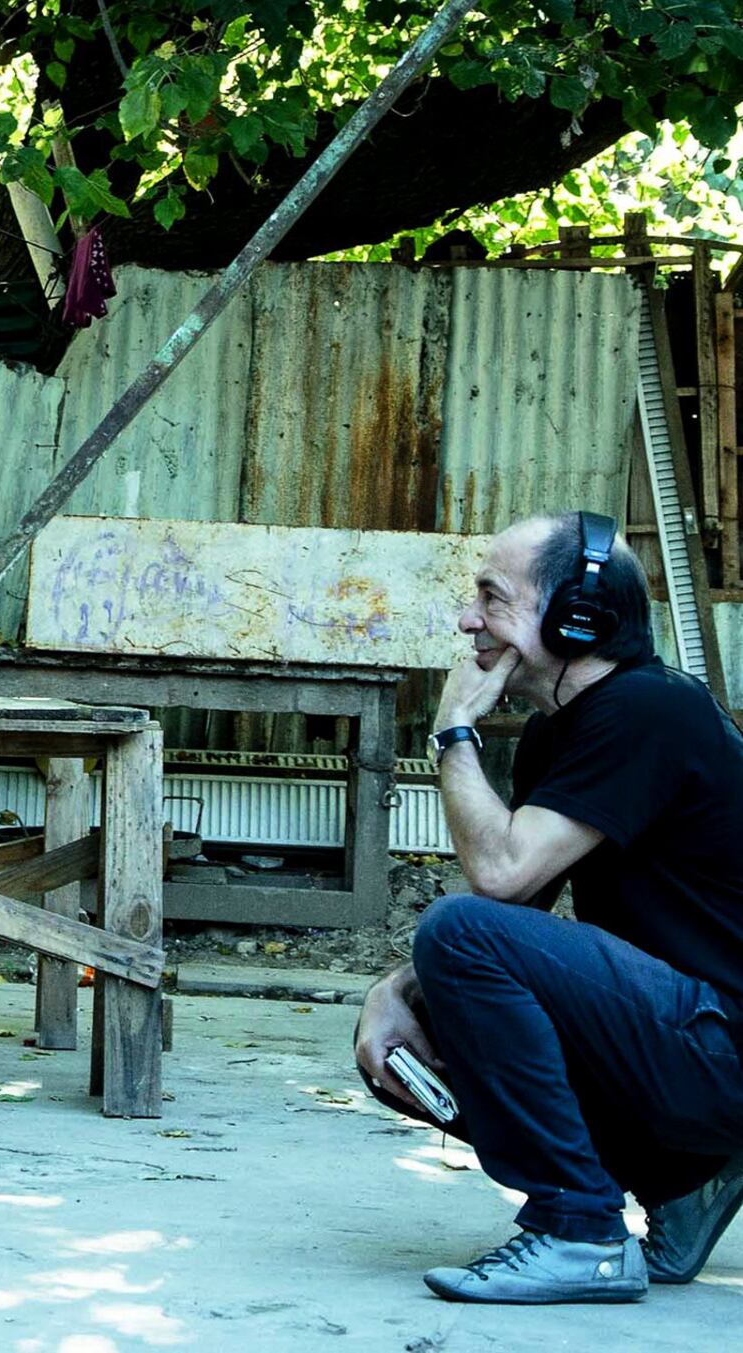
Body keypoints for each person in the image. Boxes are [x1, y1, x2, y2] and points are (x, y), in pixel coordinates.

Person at [354, 510, 743, 1303]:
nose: (468, 619)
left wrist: (453, 730)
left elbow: (496, 882)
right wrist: (392, 990)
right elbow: (516, 913)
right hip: (680, 1045)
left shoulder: (651, 710)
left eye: (492, 599)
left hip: (721, 1039)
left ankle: (580, 1231)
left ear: (577, 618)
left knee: (457, 933)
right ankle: (685, 1178)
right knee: (418, 1022)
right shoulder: (554, 733)